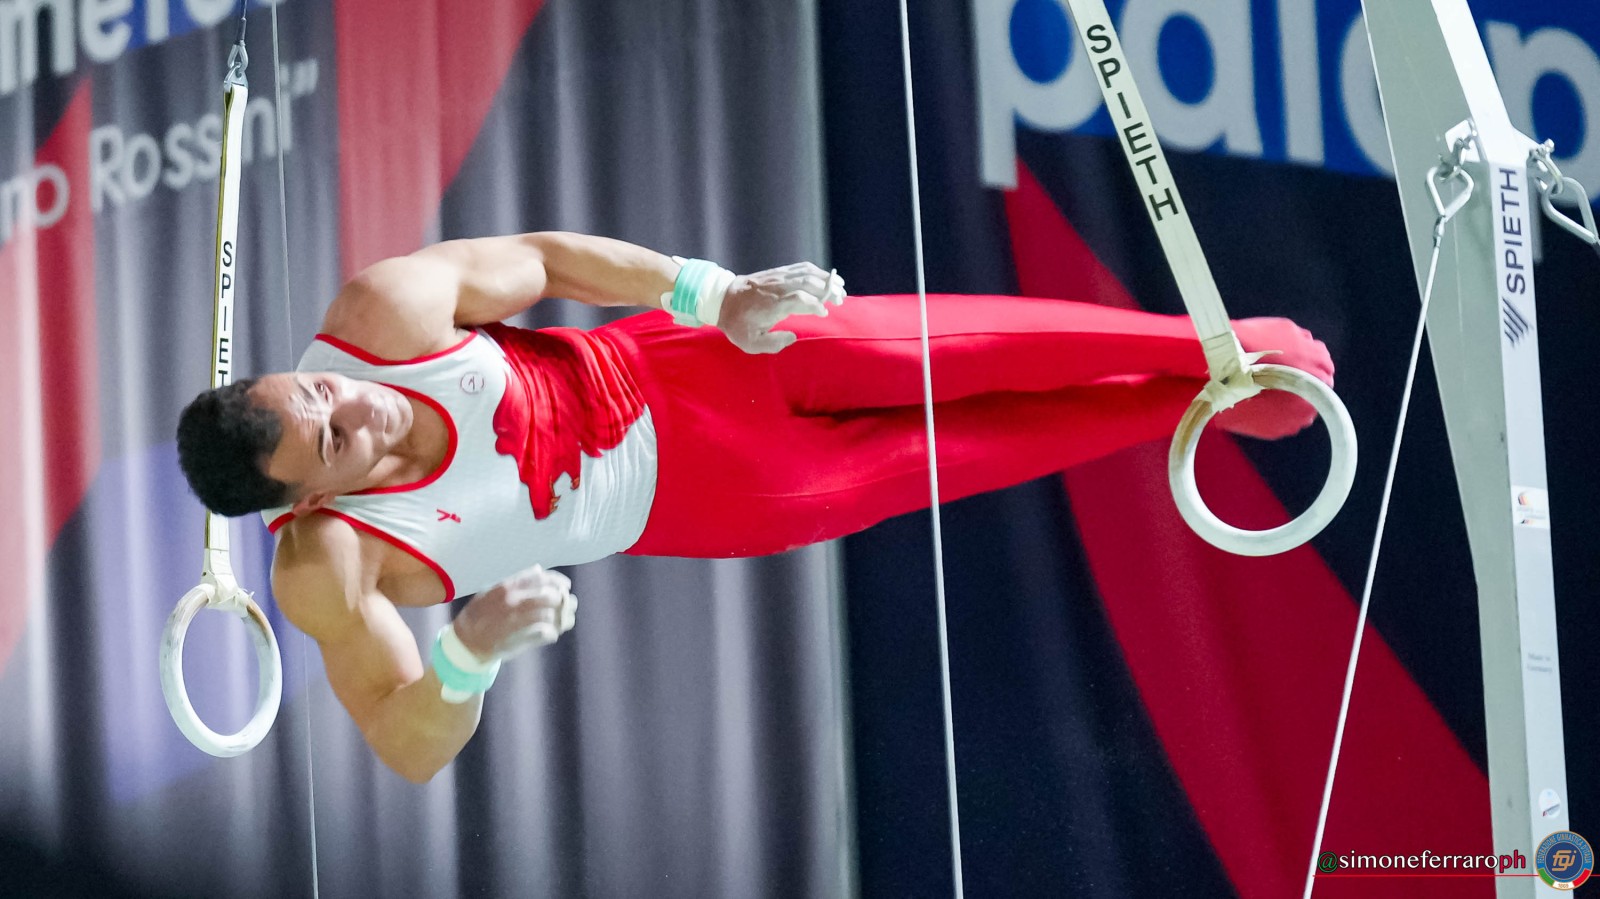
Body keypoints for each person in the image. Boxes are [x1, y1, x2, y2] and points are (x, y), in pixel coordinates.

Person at [176, 231, 1333, 782]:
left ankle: (1214, 349)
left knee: (978, 344)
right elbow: (405, 743)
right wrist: (466, 656)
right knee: (982, 446)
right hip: (713, 493)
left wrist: (711, 292)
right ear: (309, 494)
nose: (357, 407)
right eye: (335, 438)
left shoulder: (379, 315)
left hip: (696, 356)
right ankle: (1203, 408)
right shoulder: (329, 563)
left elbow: (544, 258)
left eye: (320, 392)